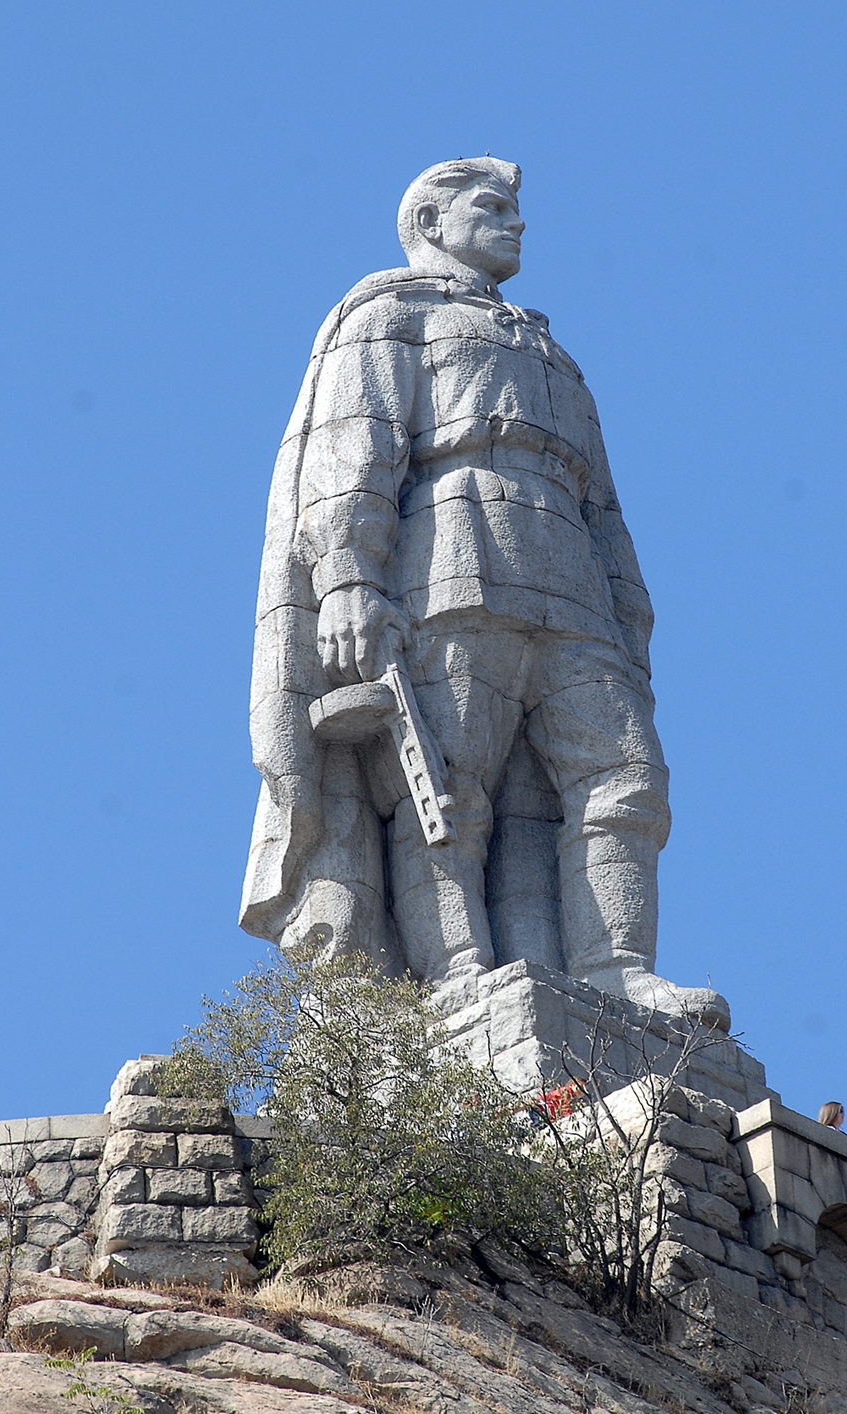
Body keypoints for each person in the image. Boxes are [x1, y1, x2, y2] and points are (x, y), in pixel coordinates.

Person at [240, 157, 729, 1029]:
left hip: (573, 589)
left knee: (627, 776)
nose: (517, 224)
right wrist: (350, 577)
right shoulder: (388, 315)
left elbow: (605, 506)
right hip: (450, 570)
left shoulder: (553, 352)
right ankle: (454, 974)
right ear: (431, 222)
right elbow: (351, 452)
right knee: (444, 785)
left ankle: (613, 967)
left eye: (515, 208)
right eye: (492, 207)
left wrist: (630, 616)